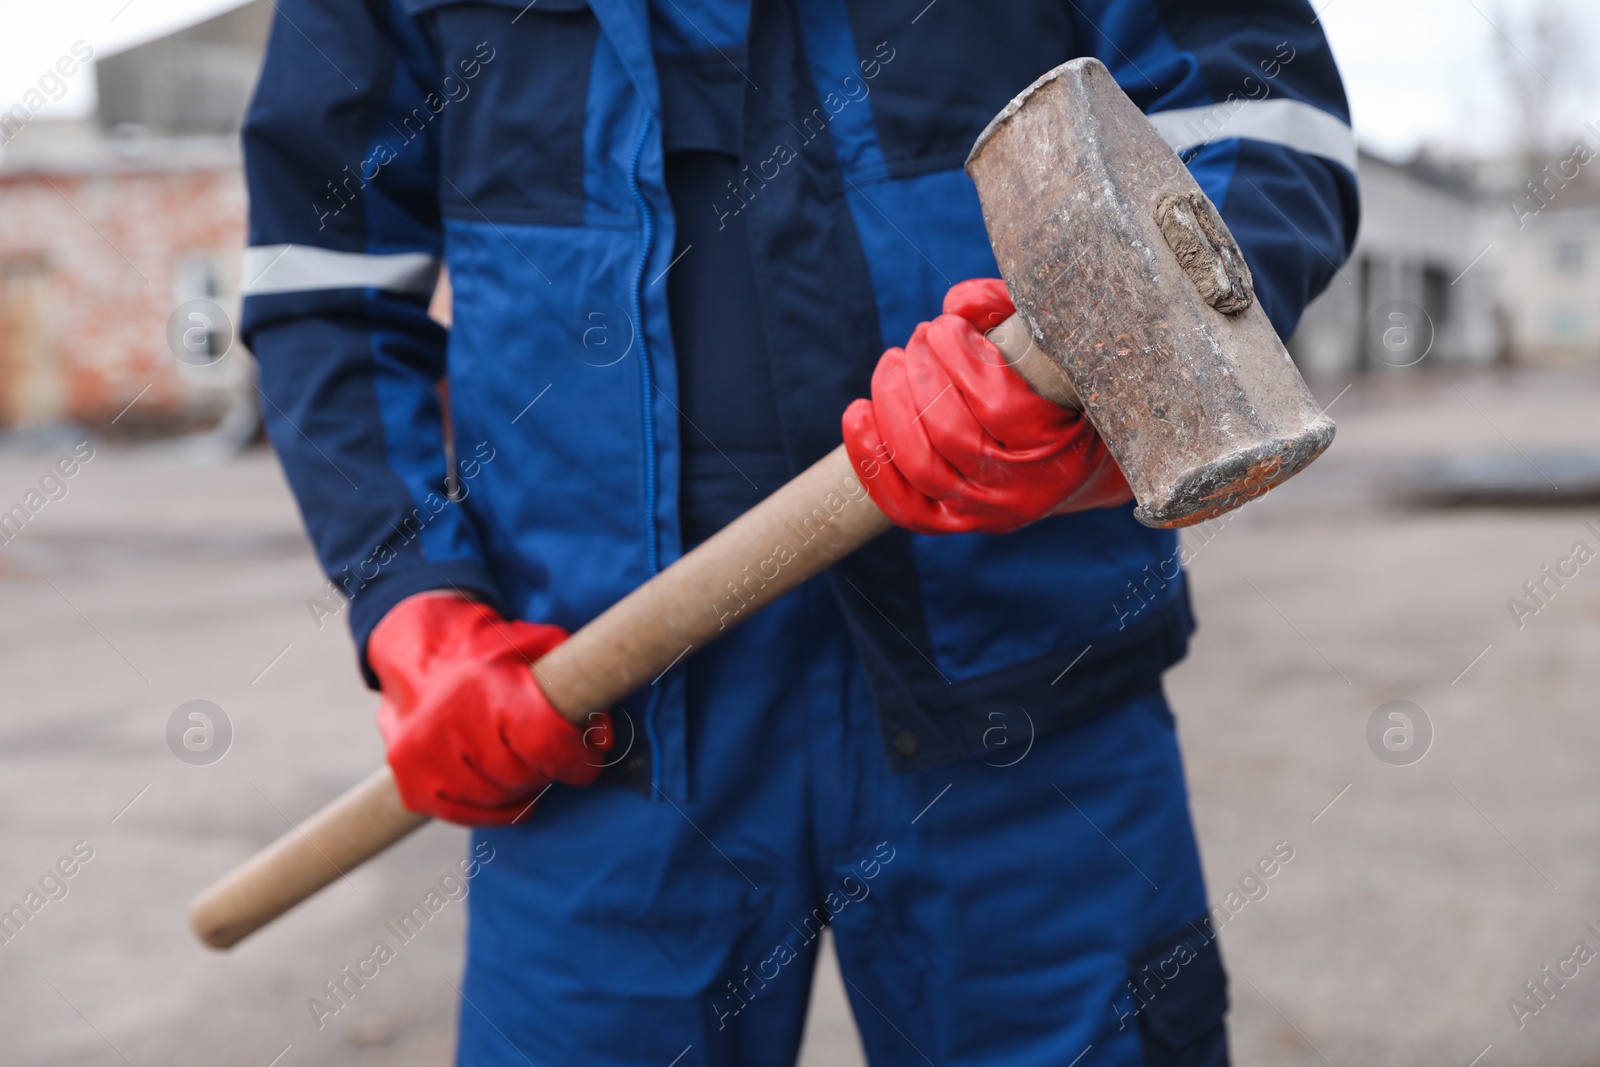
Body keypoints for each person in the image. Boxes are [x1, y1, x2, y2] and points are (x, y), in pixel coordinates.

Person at [239, 1, 1357, 1063]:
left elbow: (1259, 110)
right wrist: (415, 599)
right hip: (590, 722)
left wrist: (1113, 369)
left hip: (1025, 697)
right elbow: (322, 281)